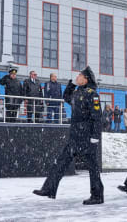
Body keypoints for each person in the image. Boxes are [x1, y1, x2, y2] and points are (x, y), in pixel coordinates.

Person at [33, 66, 104, 205]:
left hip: (87, 136)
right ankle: (49, 189)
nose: (77, 77)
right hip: (75, 136)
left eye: (79, 76)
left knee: (93, 167)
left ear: (85, 79)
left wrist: (95, 136)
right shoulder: (78, 92)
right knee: (61, 162)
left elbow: (97, 117)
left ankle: (97, 196)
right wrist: (71, 85)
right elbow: (66, 97)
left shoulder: (92, 94)